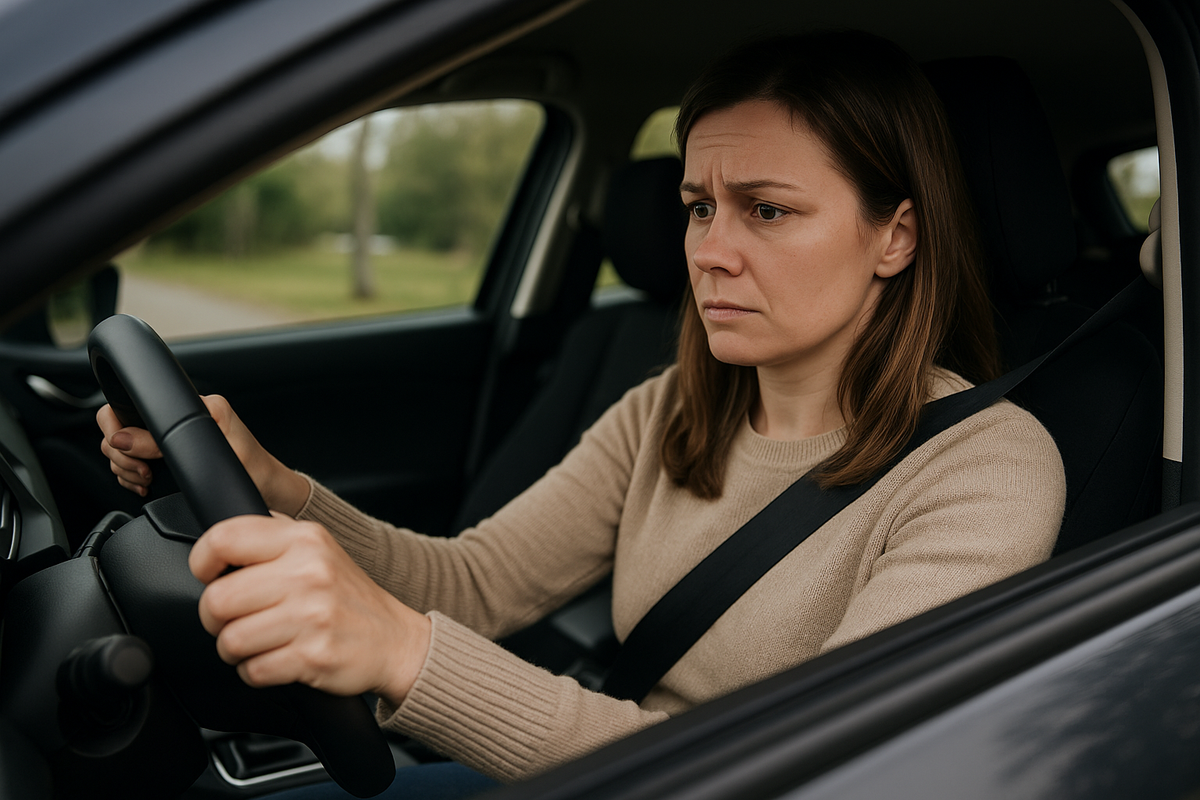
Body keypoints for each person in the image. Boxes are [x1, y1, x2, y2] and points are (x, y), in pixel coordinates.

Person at [97, 30, 1065, 798]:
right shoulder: (673, 408)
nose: (710, 250)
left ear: (894, 236)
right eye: (698, 206)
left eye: (767, 210)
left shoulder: (986, 469)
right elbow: (475, 581)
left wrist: (402, 651)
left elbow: (819, 765)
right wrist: (278, 486)